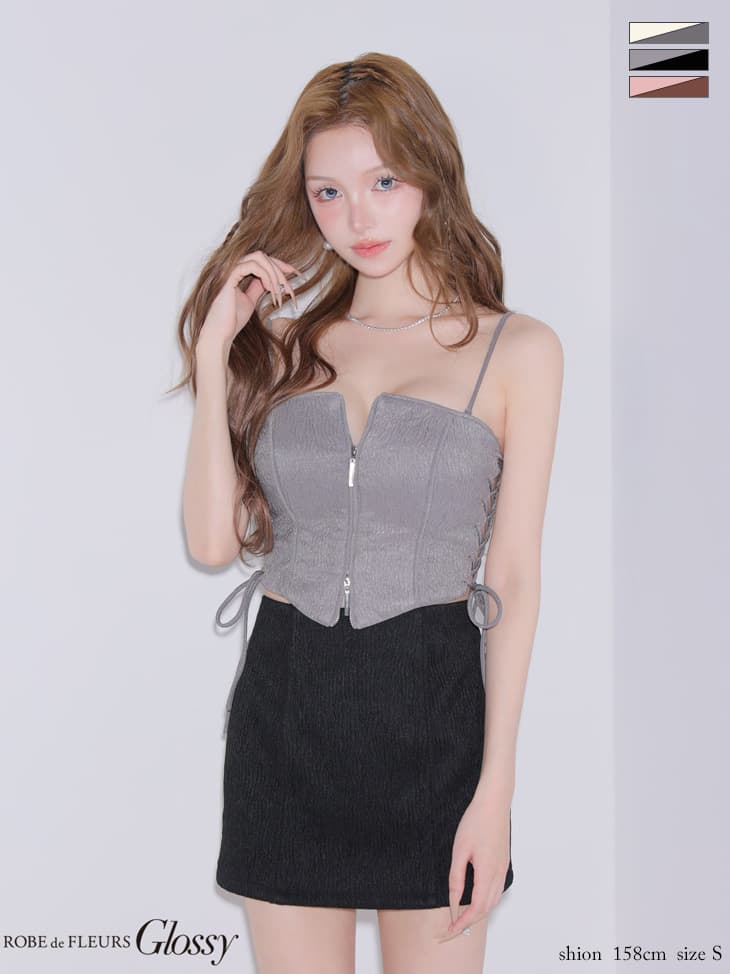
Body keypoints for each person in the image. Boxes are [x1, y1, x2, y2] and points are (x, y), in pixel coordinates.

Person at [174, 52, 563, 974]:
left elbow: (512, 577)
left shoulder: (518, 351)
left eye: (384, 182)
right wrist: (216, 356)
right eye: (329, 193)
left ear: (430, 171)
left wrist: (495, 792)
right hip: (287, 718)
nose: (359, 218)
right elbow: (211, 542)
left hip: (432, 719)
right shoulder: (284, 348)